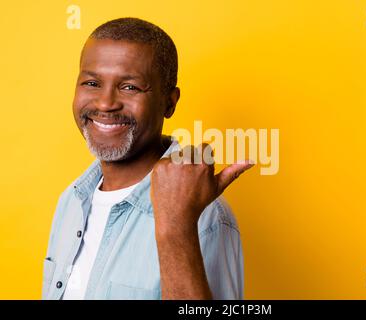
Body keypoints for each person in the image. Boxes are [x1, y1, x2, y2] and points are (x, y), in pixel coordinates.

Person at [42, 17, 253, 300]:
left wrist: (176, 227)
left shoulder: (206, 217)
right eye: (92, 82)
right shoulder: (72, 200)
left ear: (170, 102)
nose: (105, 103)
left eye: (129, 87)